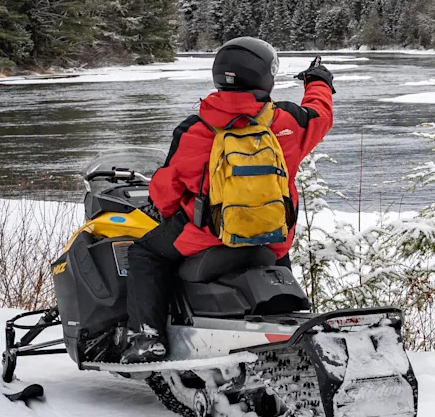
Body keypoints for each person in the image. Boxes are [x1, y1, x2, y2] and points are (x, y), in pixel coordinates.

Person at [121, 37, 336, 364]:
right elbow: (320, 115)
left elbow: (166, 191)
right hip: (273, 239)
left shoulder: (196, 128)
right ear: (265, 77)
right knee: (272, 242)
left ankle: (146, 337)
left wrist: (167, 214)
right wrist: (318, 80)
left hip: (208, 237)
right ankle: (293, 323)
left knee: (144, 252)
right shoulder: (288, 122)